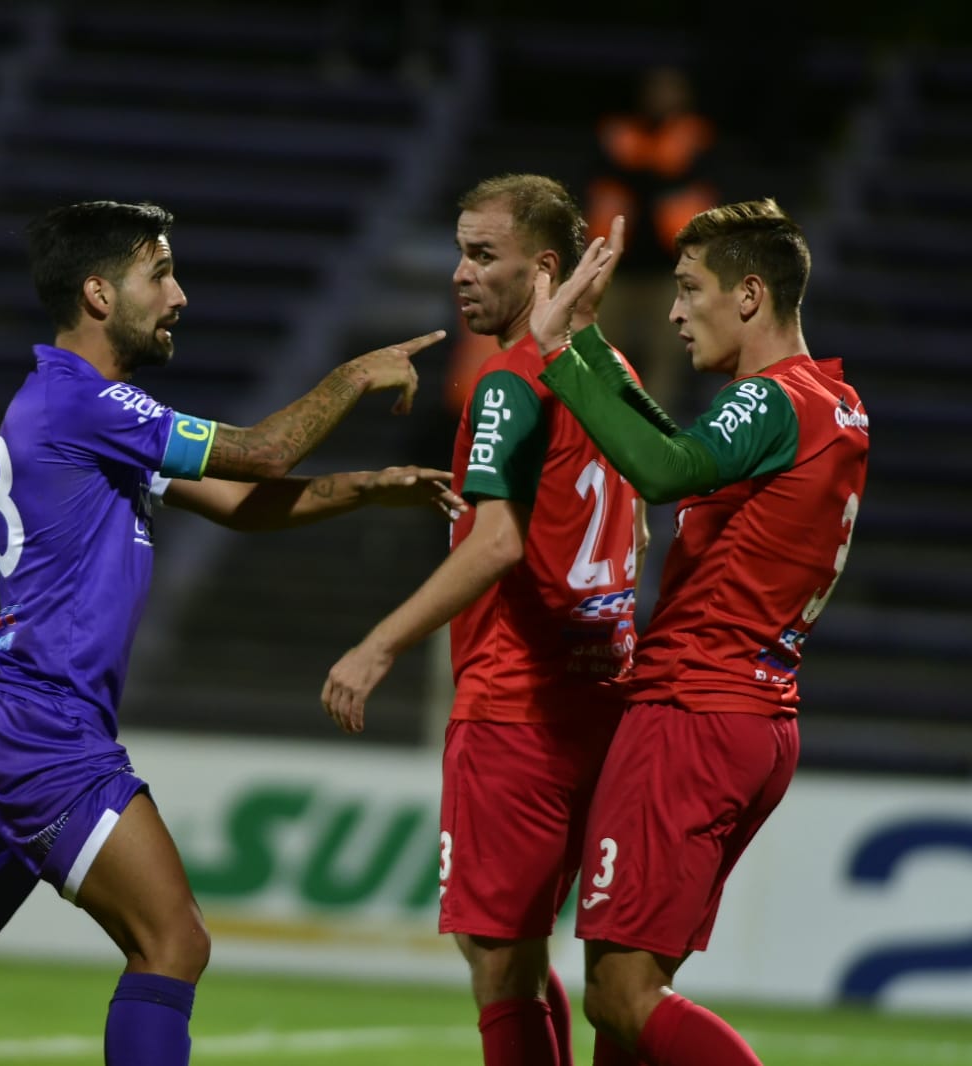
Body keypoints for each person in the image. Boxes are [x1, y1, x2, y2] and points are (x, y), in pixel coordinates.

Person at [0, 199, 464, 1066]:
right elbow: (263, 452)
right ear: (98, 294)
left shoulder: (70, 406)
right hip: (41, 723)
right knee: (173, 944)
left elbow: (238, 503)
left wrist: (366, 486)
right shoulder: (86, 402)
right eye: (159, 273)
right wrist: (352, 376)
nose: (179, 294)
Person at [529, 199, 869, 1066]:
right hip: (752, 718)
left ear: (748, 295)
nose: (675, 311)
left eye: (689, 290)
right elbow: (682, 446)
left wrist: (560, 352)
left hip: (691, 712)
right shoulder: (829, 400)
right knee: (629, 1002)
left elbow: (662, 467)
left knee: (617, 995)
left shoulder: (771, 400)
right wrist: (590, 342)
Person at [322, 173, 646, 1066]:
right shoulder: (610, 369)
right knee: (551, 957)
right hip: (601, 700)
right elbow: (636, 517)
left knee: (495, 958)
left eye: (481, 255)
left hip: (515, 706)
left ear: (545, 269)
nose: (459, 274)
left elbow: (496, 543)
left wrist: (375, 643)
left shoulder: (508, 380)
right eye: (459, 252)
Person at [585, 64, 717, 413]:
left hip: (670, 273)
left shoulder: (696, 136)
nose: (662, 97)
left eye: (671, 89)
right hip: (616, 269)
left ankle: (651, 443)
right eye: (657, 88)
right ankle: (599, 432)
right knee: (600, 354)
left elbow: (696, 190)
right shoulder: (618, 131)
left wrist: (641, 175)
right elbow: (599, 182)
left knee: (666, 360)